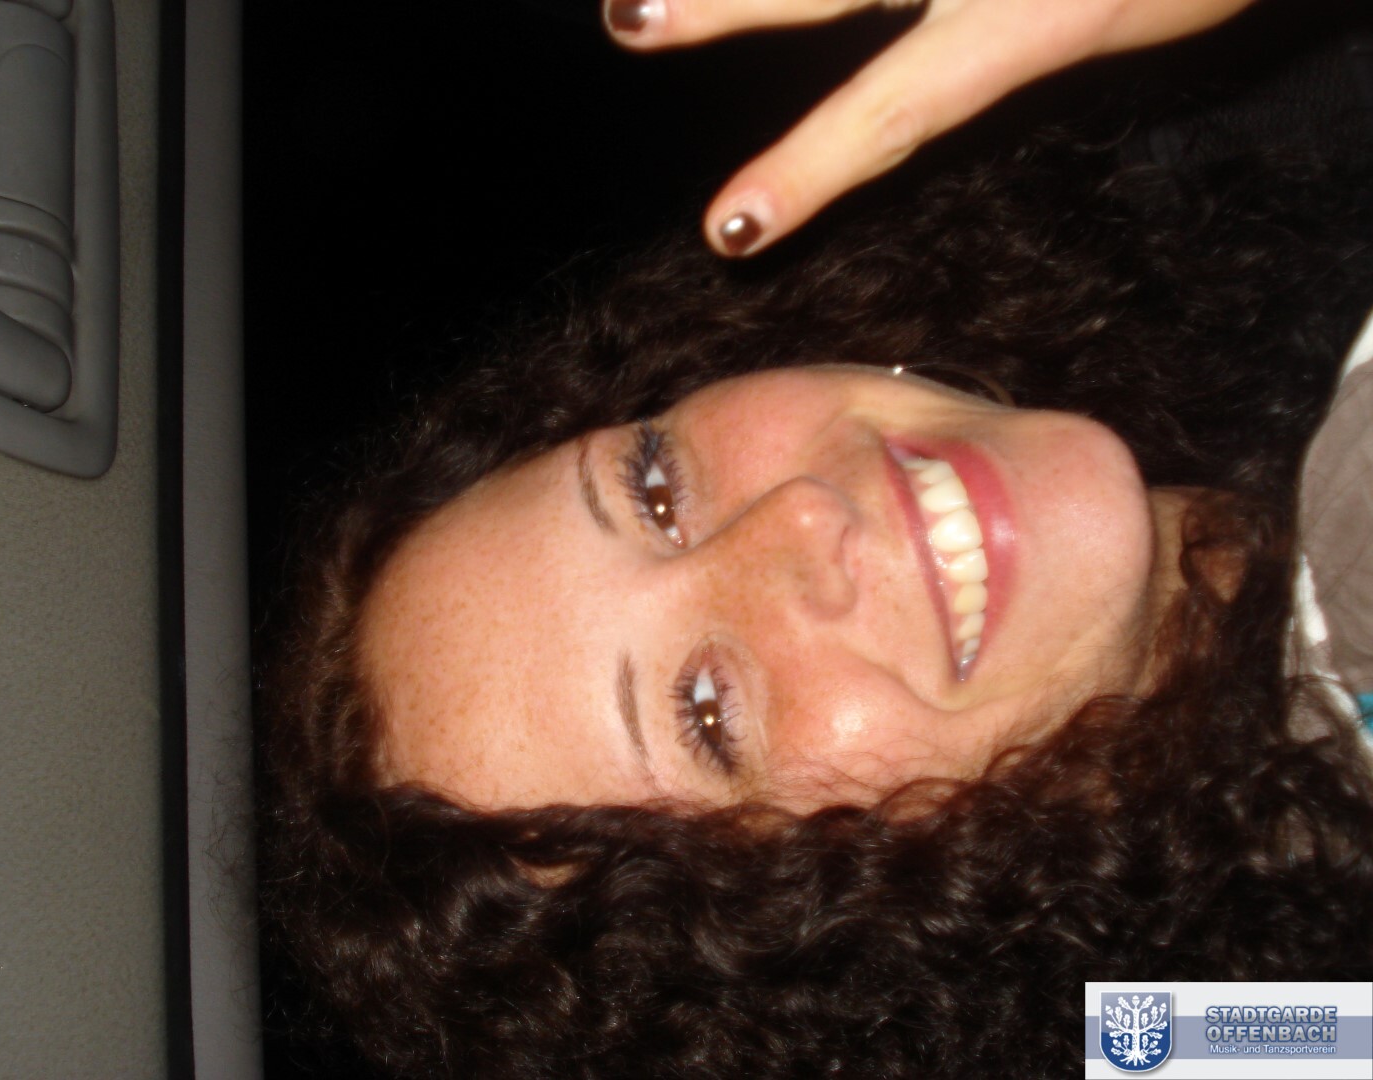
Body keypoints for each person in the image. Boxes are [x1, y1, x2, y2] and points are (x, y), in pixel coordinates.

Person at [258, 2, 1373, 1076]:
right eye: (708, 713)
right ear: (829, 931)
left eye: (654, 489)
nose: (796, 518)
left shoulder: (1207, 146)